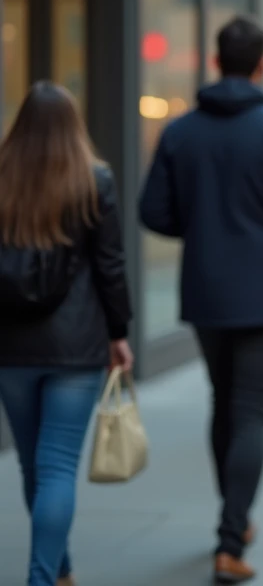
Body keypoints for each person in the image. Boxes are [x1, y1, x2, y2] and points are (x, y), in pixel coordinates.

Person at [139, 16, 263, 584]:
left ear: (216, 63)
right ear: (262, 64)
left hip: (204, 291)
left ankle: (233, 519)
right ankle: (231, 537)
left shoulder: (180, 132)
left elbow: (153, 211)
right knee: (250, 413)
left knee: (224, 404)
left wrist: (198, 227)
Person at [0, 82, 134, 586]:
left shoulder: (3, 175)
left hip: (11, 346)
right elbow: (111, 267)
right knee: (56, 466)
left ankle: (60, 569)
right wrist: (119, 334)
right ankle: (43, 577)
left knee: (33, 468)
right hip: (75, 345)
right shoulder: (93, 179)